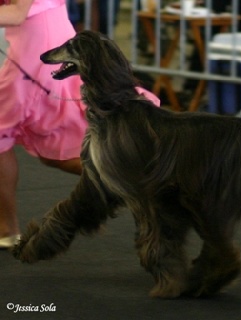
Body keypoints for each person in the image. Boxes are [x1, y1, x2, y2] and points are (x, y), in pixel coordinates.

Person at [0, 0, 160, 249]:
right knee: (53, 151)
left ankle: (7, 230)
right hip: (40, 41)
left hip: (35, 50)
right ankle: (139, 187)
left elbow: (17, 13)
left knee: (10, 136)